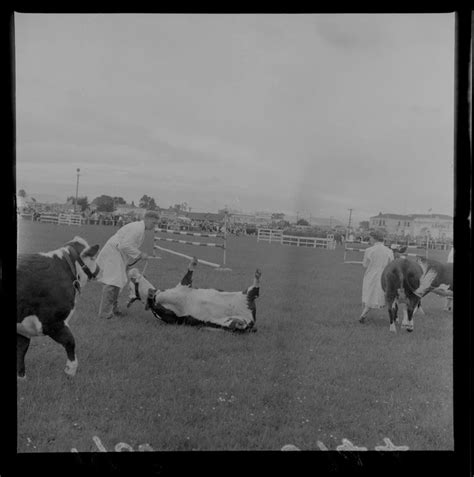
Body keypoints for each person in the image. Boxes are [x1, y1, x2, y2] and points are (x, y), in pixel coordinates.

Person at [96, 210, 160, 319]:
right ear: (147, 219)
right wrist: (140, 254)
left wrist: (129, 261)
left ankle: (114, 310)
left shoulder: (140, 229)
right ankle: (104, 314)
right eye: (153, 223)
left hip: (118, 254)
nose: (155, 226)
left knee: (118, 282)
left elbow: (126, 246)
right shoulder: (138, 229)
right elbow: (124, 246)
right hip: (114, 253)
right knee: (112, 282)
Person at [359, 230, 394, 323]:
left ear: (374, 238)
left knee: (370, 295)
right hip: (384, 276)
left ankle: (363, 314)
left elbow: (365, 265)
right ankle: (394, 317)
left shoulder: (369, 250)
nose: (370, 239)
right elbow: (391, 265)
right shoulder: (389, 251)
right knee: (384, 296)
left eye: (370, 238)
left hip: (371, 275)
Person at [444, 246, 454, 311]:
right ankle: (447, 306)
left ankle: (447, 306)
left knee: (450, 289)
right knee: (451, 288)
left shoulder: (452, 249)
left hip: (449, 268)